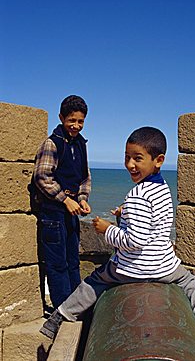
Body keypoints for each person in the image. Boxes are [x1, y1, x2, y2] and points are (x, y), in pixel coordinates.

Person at [40, 126, 195, 344]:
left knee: (93, 282)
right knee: (190, 281)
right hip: (164, 268)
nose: (130, 164)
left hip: (131, 269)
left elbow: (134, 241)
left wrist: (107, 229)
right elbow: (154, 222)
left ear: (158, 160)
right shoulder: (163, 188)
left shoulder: (136, 195)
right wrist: (125, 213)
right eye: (127, 157)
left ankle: (58, 318)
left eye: (137, 158)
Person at [34, 95, 91, 310]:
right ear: (61, 118)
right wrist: (65, 199)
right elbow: (42, 177)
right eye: (72, 121)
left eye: (80, 121)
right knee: (57, 265)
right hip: (54, 214)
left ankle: (76, 307)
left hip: (72, 212)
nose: (76, 126)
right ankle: (62, 311)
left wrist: (83, 199)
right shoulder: (52, 143)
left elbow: (85, 177)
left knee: (73, 263)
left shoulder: (81, 144)